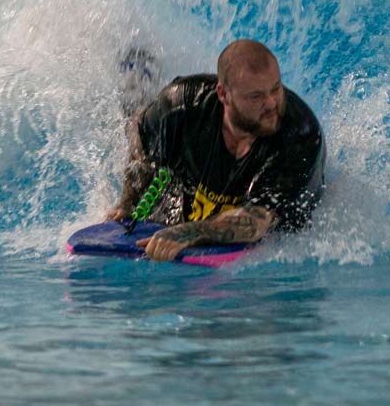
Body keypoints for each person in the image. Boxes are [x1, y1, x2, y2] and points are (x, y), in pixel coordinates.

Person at [106, 39, 325, 262]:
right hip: (202, 179)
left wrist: (187, 233)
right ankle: (136, 70)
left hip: (271, 213)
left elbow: (258, 220)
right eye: (256, 96)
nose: (271, 103)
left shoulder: (300, 136)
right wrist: (127, 203)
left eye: (276, 89)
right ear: (223, 95)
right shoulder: (182, 104)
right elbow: (142, 134)